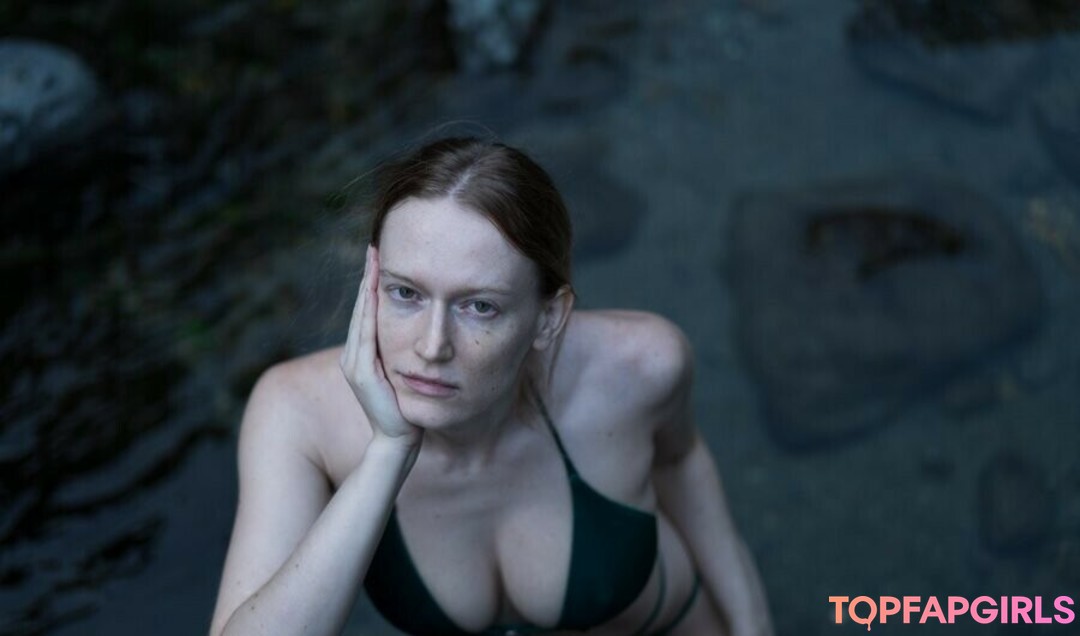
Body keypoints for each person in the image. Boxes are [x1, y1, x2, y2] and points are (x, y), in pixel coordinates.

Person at [209, 137, 773, 636]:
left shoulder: (640, 366)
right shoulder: (297, 412)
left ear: (548, 318)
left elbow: (681, 463)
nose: (432, 345)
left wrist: (752, 624)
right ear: (371, 284)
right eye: (406, 293)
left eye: (479, 306)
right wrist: (388, 451)